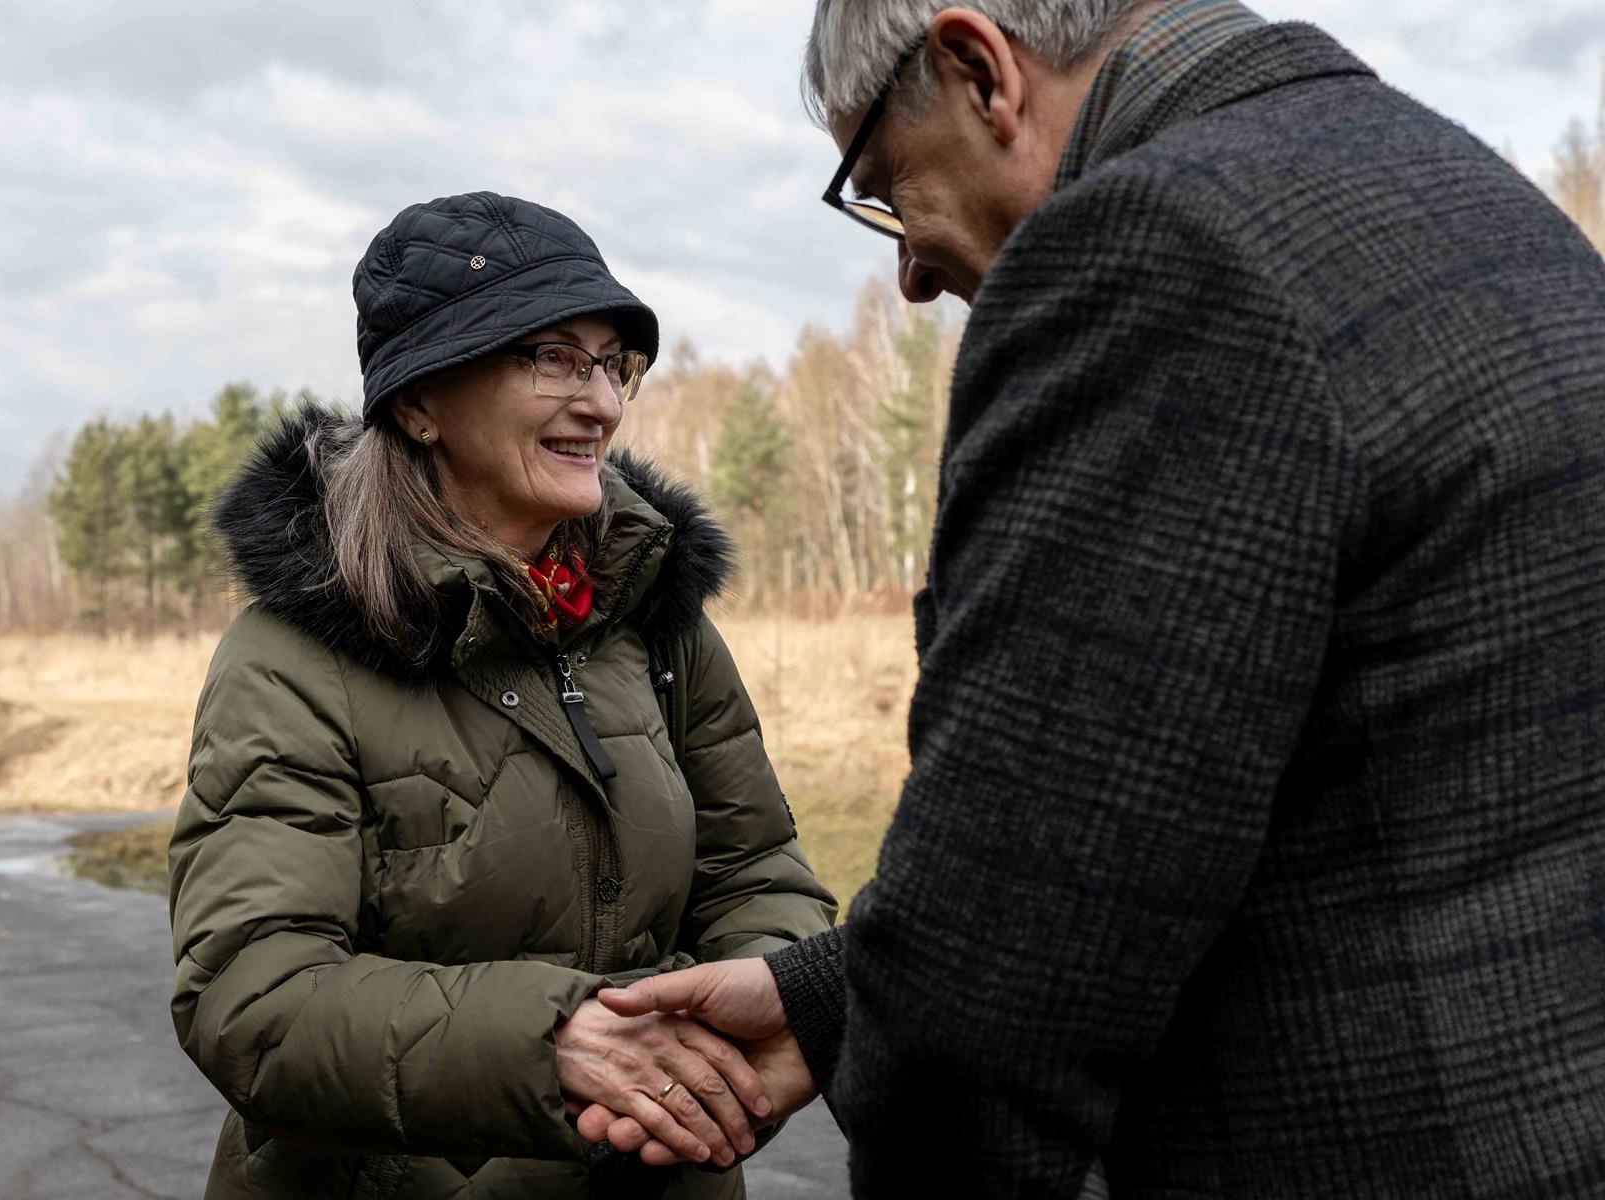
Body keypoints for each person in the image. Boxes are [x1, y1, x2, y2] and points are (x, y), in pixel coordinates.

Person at [578, 1, 1605, 1196]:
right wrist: (824, 1000)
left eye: (883, 182)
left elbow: (994, 999)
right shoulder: (1473, 197)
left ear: (979, 71)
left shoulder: (1154, 252)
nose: (906, 271)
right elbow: (1304, 798)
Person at [165, 191, 837, 1199]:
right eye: (553, 357)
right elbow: (254, 996)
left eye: (614, 363)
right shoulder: (293, 657)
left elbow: (758, 872)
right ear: (420, 403)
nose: (601, 403)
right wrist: (556, 1044)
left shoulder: (655, 618)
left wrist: (753, 1009)